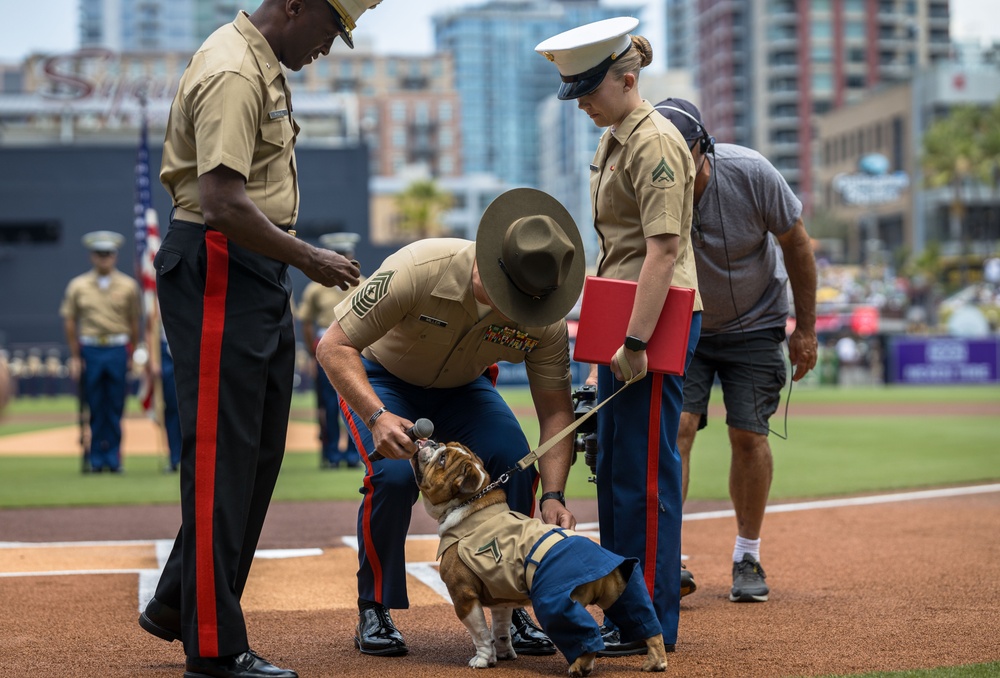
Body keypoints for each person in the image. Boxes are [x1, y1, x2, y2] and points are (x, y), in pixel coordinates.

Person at [136, 2, 378, 677]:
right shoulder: (236, 68)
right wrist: (309, 258)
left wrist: (288, 261)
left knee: (259, 449)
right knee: (221, 456)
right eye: (330, 32)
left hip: (252, 270)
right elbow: (220, 200)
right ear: (294, 7)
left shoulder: (263, 65)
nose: (329, 48)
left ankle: (178, 598)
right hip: (219, 263)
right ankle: (212, 648)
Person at [316, 187, 584, 659]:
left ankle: (510, 603)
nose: (513, 313)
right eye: (507, 297)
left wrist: (556, 495)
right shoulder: (418, 267)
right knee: (394, 476)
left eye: (524, 305)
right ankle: (374, 607)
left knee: (516, 463)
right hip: (383, 380)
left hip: (464, 388)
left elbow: (558, 412)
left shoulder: (545, 318)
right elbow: (333, 347)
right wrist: (376, 415)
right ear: (488, 261)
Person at [534, 18, 702, 656]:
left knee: (645, 477)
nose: (580, 102)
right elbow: (622, 252)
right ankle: (630, 612)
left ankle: (651, 622)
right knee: (614, 473)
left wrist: (632, 342)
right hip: (624, 317)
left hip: (652, 322)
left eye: (589, 90)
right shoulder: (616, 136)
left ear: (628, 80)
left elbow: (662, 250)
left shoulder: (654, 141)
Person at [655, 97, 817, 603]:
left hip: (756, 322)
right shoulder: (649, 183)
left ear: (704, 149)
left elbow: (797, 244)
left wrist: (805, 328)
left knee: (748, 436)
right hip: (686, 322)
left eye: (683, 161)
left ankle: (747, 554)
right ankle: (669, 557)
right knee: (677, 429)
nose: (673, 172)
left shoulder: (751, 173)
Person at [60, 230, 141, 474]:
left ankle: (114, 458)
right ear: (91, 257)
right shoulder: (78, 286)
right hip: (91, 348)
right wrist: (76, 356)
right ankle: (96, 458)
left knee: (115, 405)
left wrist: (132, 354)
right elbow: (70, 322)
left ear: (115, 256)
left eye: (108, 254)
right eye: (99, 254)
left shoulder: (128, 286)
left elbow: (134, 322)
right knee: (94, 405)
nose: (104, 258)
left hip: (117, 348)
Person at [298, 232, 365, 469]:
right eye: (341, 255)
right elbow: (306, 321)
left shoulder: (364, 284)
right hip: (325, 346)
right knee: (327, 404)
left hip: (355, 348)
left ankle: (353, 454)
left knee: (357, 400)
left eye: (348, 255)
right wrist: (311, 351)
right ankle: (331, 454)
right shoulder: (317, 288)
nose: (346, 259)